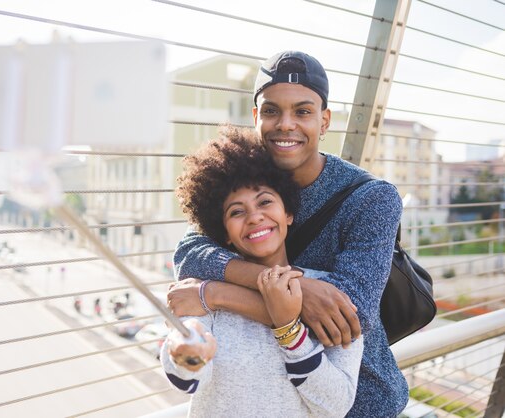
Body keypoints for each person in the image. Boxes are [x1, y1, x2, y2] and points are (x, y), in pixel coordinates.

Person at [169, 51, 408, 417]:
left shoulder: (371, 199)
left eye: (303, 111)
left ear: (325, 120)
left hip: (357, 401)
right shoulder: (240, 183)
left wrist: (216, 293)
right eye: (271, 110)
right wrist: (296, 290)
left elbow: (347, 320)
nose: (285, 124)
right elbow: (190, 253)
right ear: (255, 117)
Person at [161, 127, 363, 417]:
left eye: (265, 202)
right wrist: (185, 351)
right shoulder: (205, 291)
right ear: (225, 233)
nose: (255, 217)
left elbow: (336, 404)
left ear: (289, 213)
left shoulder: (329, 295)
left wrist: (290, 334)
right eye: (236, 212)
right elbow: (187, 381)